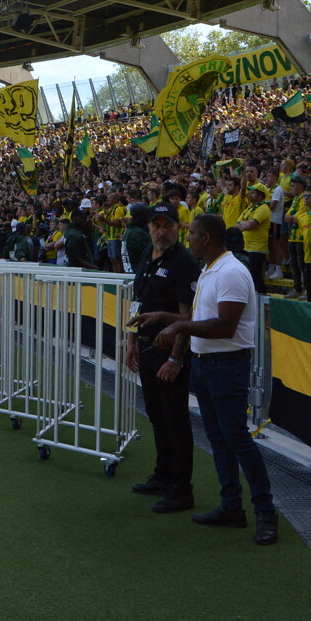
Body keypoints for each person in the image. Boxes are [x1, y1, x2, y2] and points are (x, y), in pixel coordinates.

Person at [134, 214, 278, 546]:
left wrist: (179, 327)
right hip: (206, 363)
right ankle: (231, 506)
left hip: (228, 364)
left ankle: (265, 512)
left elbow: (225, 326)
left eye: (194, 234)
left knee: (237, 439)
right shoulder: (211, 270)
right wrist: (165, 317)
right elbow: (200, 318)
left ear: (208, 238)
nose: (190, 239)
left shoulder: (231, 272)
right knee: (218, 438)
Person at [125, 202, 199, 514]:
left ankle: (181, 489)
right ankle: (163, 475)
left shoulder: (183, 261)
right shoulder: (146, 254)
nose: (161, 231)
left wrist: (177, 360)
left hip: (169, 352)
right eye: (156, 225)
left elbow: (188, 316)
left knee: (176, 419)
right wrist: (130, 339)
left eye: (167, 225)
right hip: (145, 346)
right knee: (157, 416)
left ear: (179, 227)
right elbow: (137, 301)